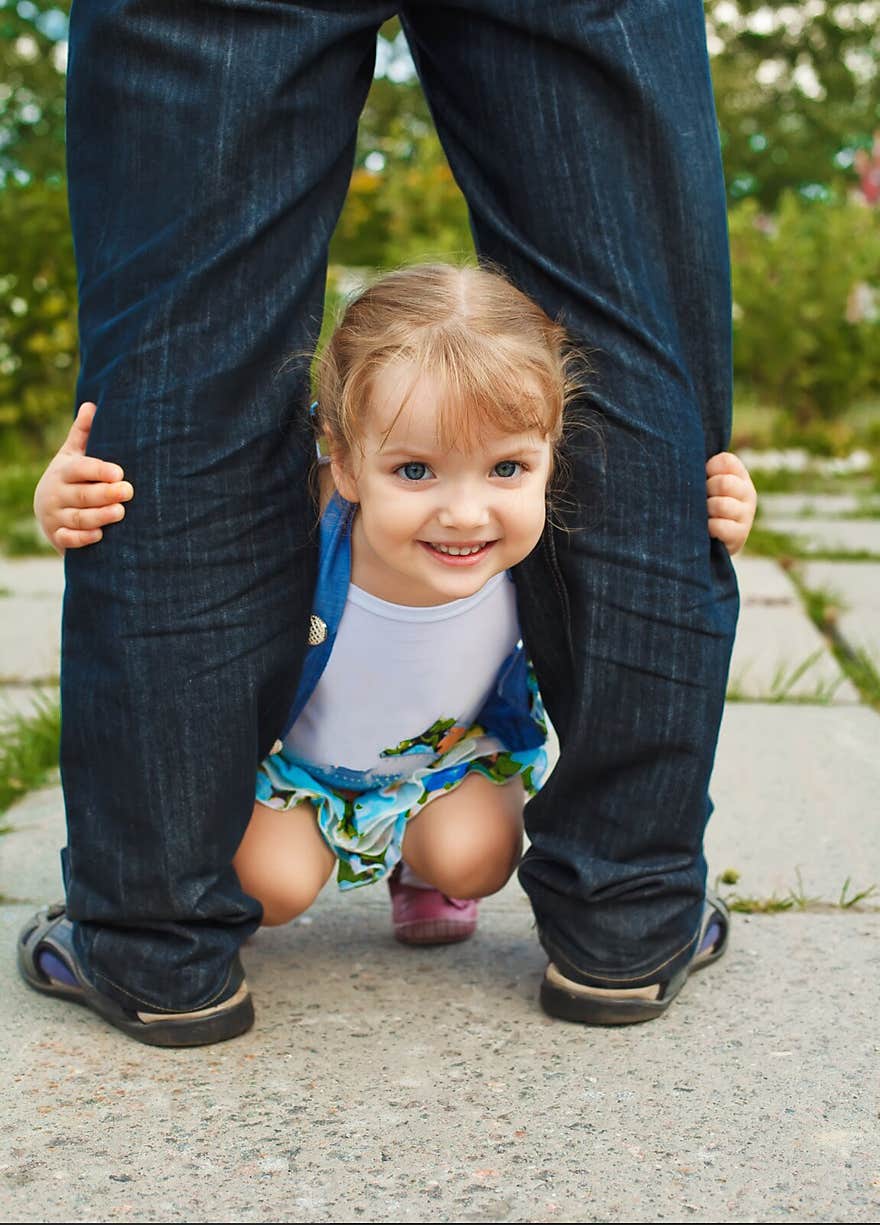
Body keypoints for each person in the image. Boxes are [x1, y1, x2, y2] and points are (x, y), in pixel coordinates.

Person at [20, 263, 757, 1041]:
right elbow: (177, 524)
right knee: (268, 888)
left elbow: (644, 550)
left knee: (477, 859)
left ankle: (417, 868)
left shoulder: (548, 548)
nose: (465, 513)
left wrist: (712, 517)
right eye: (415, 469)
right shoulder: (308, 516)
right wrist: (58, 498)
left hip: (440, 765)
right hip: (299, 773)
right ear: (345, 462)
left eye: (508, 467)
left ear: (551, 451)